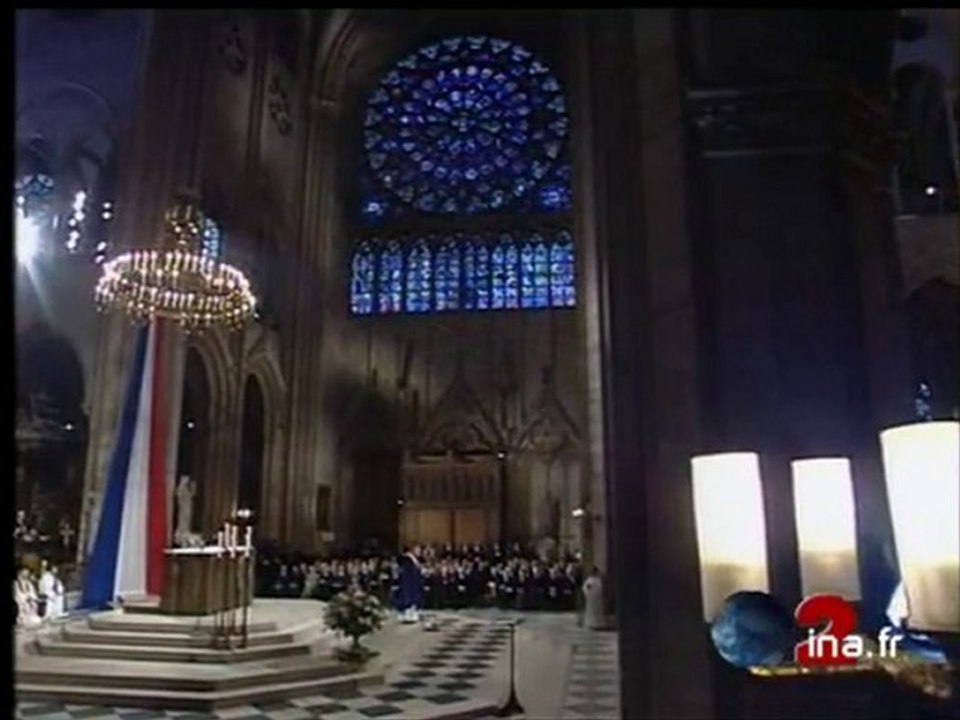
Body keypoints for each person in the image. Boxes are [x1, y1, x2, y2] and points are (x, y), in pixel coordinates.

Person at [395, 551, 424, 623]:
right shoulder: (404, 570)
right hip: (407, 588)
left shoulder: (412, 570)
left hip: (410, 588)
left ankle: (411, 615)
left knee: (410, 602)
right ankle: (407, 614)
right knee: (407, 601)